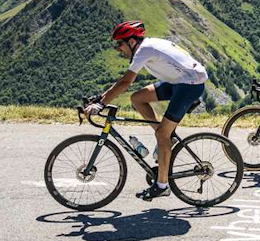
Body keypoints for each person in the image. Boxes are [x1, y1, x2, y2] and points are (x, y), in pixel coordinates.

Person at [85, 21, 208, 200]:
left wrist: (102, 104)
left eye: (119, 44)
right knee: (137, 98)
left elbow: (126, 82)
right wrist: (100, 98)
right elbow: (123, 84)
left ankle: (162, 185)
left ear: (132, 42)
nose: (118, 49)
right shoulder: (146, 47)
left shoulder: (144, 50)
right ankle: (167, 137)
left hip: (189, 85)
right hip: (178, 81)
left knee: (161, 135)